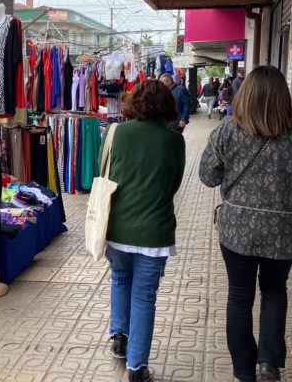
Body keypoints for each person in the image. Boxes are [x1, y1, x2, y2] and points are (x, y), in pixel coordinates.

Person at [198, 66, 292, 382]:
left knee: (240, 295)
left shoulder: (228, 131)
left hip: (237, 232)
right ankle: (269, 364)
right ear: (283, 98)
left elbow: (208, 176)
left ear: (244, 96)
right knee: (274, 291)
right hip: (286, 234)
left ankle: (245, 371)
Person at [104, 79, 185, 382]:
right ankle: (137, 368)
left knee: (120, 280)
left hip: (117, 227)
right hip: (155, 231)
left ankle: (119, 338)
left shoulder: (116, 133)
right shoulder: (174, 140)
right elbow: (173, 184)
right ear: (167, 105)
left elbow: (104, 173)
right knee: (144, 296)